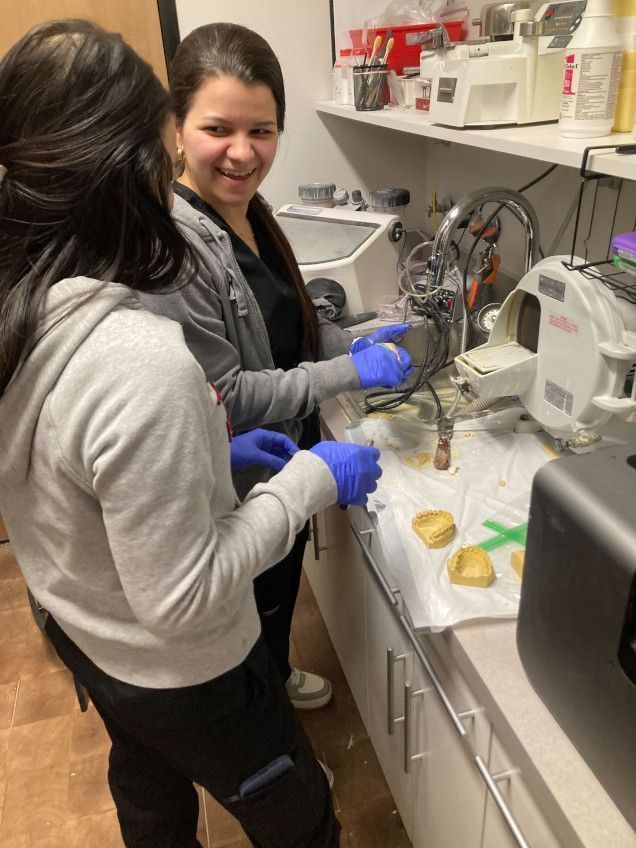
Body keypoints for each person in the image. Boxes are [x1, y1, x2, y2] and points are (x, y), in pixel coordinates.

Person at [0, 20, 383, 848]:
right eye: (199, 132)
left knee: (149, 791)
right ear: (148, 159)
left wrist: (210, 452)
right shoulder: (137, 356)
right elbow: (181, 599)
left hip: (91, 635)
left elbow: (80, 471)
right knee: (295, 811)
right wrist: (308, 482)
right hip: (189, 674)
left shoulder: (23, 300)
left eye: (261, 130)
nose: (232, 154)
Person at [141, 21, 413, 708]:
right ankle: (266, 724)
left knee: (277, 591)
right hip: (237, 472)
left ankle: (274, 676)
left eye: (261, 131)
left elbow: (285, 331)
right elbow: (228, 393)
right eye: (217, 129)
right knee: (247, 612)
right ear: (175, 128)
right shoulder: (177, 246)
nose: (242, 152)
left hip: (284, 456)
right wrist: (352, 373)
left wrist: (351, 342)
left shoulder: (252, 211)